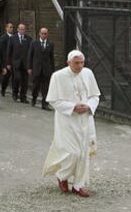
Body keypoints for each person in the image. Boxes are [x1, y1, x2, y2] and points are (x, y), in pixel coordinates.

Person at [42, 50, 100, 198]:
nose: (80, 66)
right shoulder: (58, 76)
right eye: (76, 63)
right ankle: (62, 176)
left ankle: (78, 185)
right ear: (68, 63)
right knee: (72, 153)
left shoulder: (88, 73)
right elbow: (53, 100)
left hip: (85, 119)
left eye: (82, 62)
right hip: (67, 120)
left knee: (83, 153)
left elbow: (95, 95)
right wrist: (73, 107)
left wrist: (89, 106)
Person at [28, 28, 55, 110]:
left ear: (47, 34)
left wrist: (52, 69)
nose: (44, 35)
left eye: (45, 33)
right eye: (42, 33)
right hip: (37, 68)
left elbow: (51, 57)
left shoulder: (50, 44)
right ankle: (34, 98)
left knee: (45, 87)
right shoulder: (34, 43)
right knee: (36, 85)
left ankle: (45, 104)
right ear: (39, 34)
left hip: (46, 69)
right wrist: (29, 67)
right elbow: (30, 56)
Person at [7, 23, 32, 103]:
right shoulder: (12, 38)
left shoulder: (29, 39)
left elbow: (30, 52)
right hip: (15, 62)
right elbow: (9, 51)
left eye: (23, 29)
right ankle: (15, 93)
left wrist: (30, 65)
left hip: (25, 63)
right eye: (20, 29)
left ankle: (23, 96)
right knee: (17, 78)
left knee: (25, 80)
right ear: (17, 29)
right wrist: (8, 63)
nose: (22, 30)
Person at [0, 23, 14, 96]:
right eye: (10, 27)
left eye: (12, 27)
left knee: (15, 77)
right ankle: (3, 89)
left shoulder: (14, 37)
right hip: (6, 60)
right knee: (6, 77)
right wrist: (4, 63)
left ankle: (15, 92)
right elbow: (2, 50)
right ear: (6, 28)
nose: (11, 29)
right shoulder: (3, 38)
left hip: (14, 60)